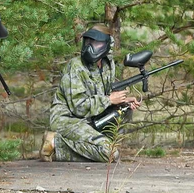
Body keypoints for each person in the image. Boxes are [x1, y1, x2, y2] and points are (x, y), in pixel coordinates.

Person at [39, 24, 140, 163]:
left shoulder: (108, 65)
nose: (90, 48)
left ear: (107, 45)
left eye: (96, 44)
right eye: (88, 43)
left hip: (90, 118)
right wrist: (109, 100)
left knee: (125, 110)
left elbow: (102, 94)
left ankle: (97, 143)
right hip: (67, 120)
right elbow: (78, 107)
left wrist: (122, 100)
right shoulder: (76, 66)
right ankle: (56, 144)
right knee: (110, 154)